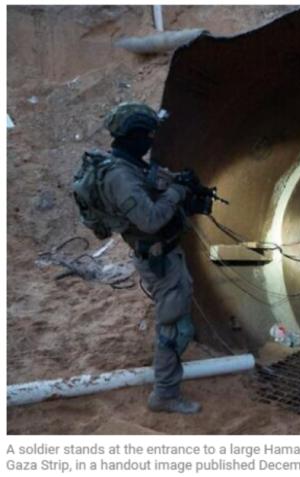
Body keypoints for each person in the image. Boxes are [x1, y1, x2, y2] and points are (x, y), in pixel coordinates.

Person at [92, 102, 209, 414]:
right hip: (159, 260)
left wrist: (176, 181)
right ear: (133, 136)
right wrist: (177, 193)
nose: (150, 141)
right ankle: (165, 394)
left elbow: (149, 185)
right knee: (173, 328)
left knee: (177, 322)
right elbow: (150, 220)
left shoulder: (128, 164)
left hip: (166, 254)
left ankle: (165, 374)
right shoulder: (119, 176)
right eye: (147, 135)